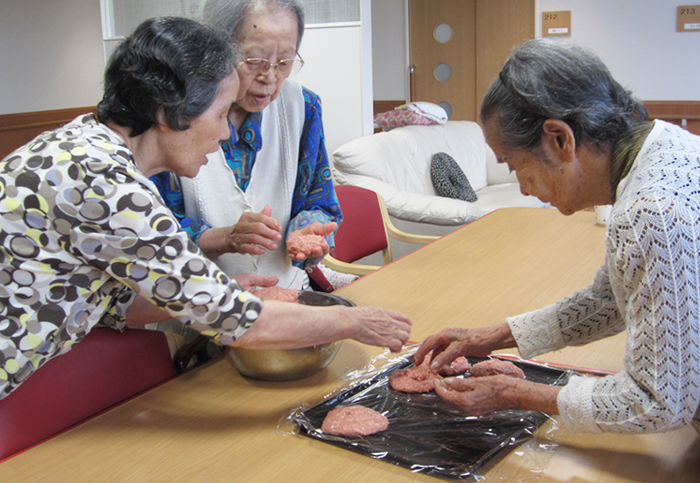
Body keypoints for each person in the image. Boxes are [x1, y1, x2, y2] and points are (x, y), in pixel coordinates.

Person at [0, 16, 411, 401]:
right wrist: (355, 321)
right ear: (168, 114)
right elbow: (235, 321)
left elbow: (114, 302)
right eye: (219, 114)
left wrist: (223, 293)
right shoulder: (105, 183)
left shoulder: (87, 147)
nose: (226, 132)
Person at [415, 38, 700, 435]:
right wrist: (491, 336)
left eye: (514, 164)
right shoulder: (665, 147)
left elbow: (657, 401)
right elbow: (612, 299)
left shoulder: (648, 211)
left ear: (560, 139)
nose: (522, 186)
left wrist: (517, 394)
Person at [150, 0, 343, 292]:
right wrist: (224, 238)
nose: (269, 76)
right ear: (215, 51)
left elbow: (318, 198)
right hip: (201, 302)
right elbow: (151, 233)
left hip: (287, 293)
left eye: (285, 61)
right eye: (254, 60)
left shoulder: (303, 107)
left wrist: (307, 229)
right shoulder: (175, 114)